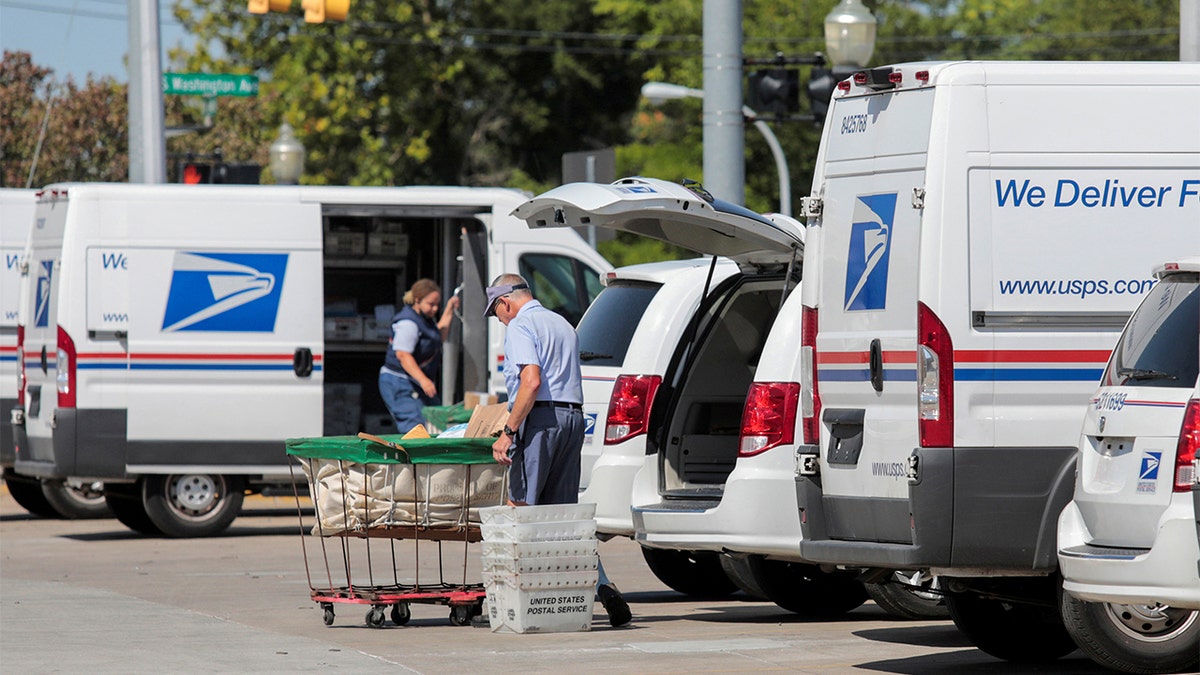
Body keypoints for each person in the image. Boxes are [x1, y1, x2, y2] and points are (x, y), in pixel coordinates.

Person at [484, 273, 632, 627]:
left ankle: (507, 601)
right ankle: (604, 587)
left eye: (497, 313)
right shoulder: (563, 323)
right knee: (562, 519)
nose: (500, 320)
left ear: (506, 302)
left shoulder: (521, 326)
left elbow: (531, 381)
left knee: (519, 510)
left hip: (541, 422)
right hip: (572, 419)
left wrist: (508, 431)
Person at [379, 278, 459, 433]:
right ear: (417, 300)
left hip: (415, 383)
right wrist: (423, 380)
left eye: (437, 304)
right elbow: (403, 355)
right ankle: (415, 457)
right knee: (415, 428)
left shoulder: (425, 320)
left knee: (437, 421)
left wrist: (449, 309)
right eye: (431, 304)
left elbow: (438, 335)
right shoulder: (408, 323)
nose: (435, 309)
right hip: (400, 382)